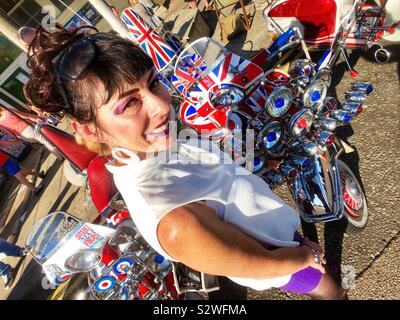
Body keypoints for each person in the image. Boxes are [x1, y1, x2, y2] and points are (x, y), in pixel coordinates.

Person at [24, 25, 347, 299]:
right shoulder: (173, 219)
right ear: (89, 129)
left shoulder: (161, 143)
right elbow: (259, 263)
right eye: (128, 105)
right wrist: (304, 256)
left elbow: (220, 172)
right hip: (281, 256)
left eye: (152, 83)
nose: (160, 106)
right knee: (331, 289)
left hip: (282, 232)